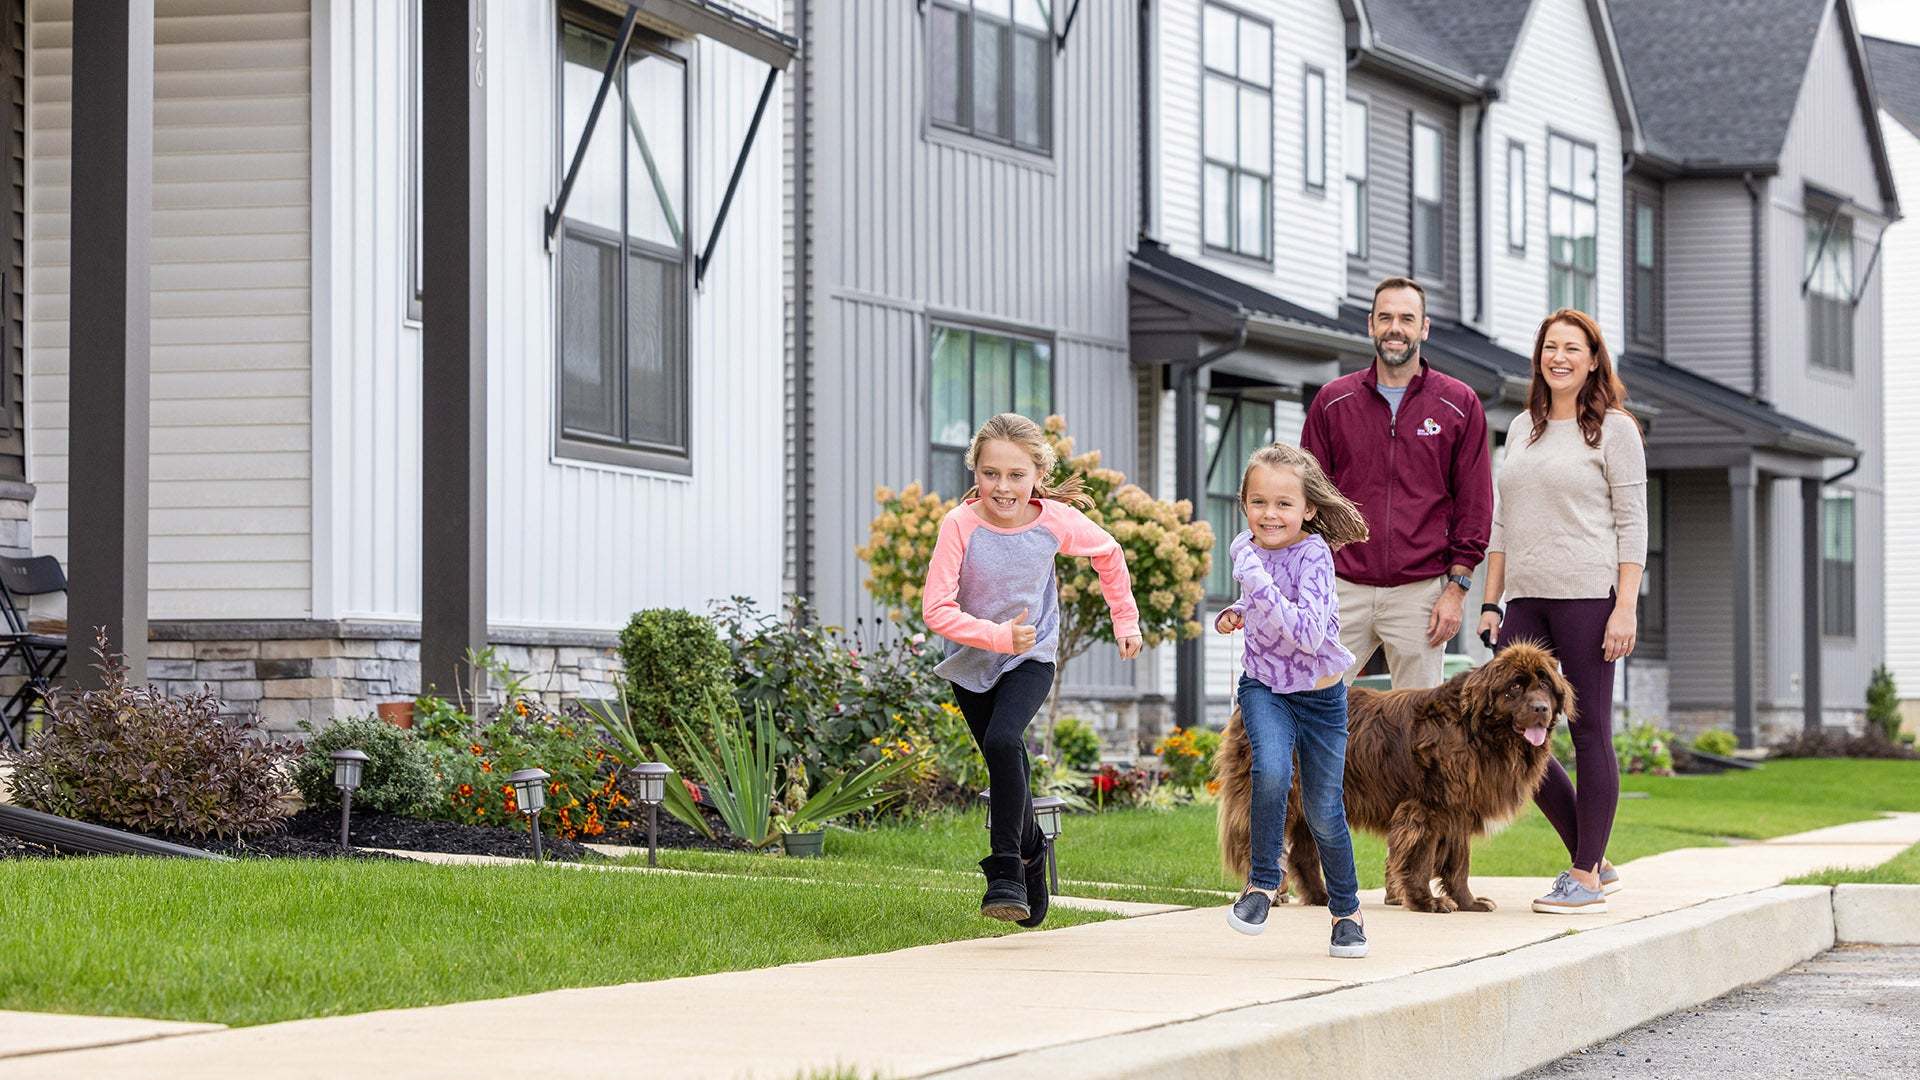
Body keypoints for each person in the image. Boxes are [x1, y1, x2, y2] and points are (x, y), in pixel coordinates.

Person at [921, 413, 1142, 927]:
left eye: (1016, 475)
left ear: (1037, 476)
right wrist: (996, 635)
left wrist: (1125, 620)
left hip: (1032, 656)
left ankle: (1005, 873)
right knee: (1007, 758)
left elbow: (1108, 553)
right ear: (974, 472)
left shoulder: (1054, 521)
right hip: (974, 660)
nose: (1003, 486)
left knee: (1003, 742)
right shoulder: (960, 526)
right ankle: (1033, 851)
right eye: (991, 473)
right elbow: (936, 610)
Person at [1476, 309, 1646, 915]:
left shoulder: (1616, 431)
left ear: (1594, 359)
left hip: (1588, 600)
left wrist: (1623, 607)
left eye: (1573, 348)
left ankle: (1584, 876)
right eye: (1551, 347)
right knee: (1518, 736)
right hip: (1524, 600)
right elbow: (1501, 523)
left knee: (1588, 730)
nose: (1560, 357)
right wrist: (1491, 601)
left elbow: (1632, 526)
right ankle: (1592, 855)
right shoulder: (1523, 427)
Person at [1215, 443, 1372, 957]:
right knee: (1272, 773)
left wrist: (1252, 579)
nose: (1270, 514)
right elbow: (1266, 603)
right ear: (1245, 504)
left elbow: (1305, 631)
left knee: (1325, 811)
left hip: (1322, 700)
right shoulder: (1249, 549)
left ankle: (1347, 913)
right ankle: (1261, 883)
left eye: (1284, 504)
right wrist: (1238, 610)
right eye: (1259, 502)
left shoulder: (1315, 555)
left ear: (1307, 509)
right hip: (1264, 687)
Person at [1301, 276, 1493, 689]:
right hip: (1342, 587)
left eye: (1407, 318)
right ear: (1370, 324)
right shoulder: (1333, 402)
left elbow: (1474, 504)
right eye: (1385, 317)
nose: (1395, 328)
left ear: (1424, 328)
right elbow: (1307, 496)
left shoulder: (1458, 404)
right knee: (1312, 709)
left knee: (1419, 732)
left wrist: (1456, 589)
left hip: (1419, 592)